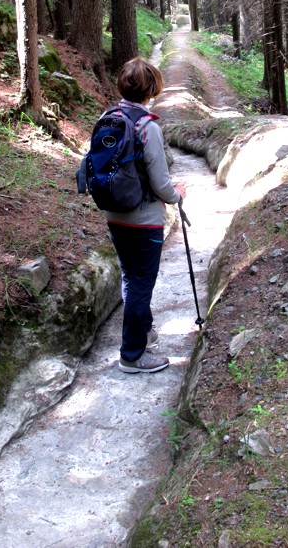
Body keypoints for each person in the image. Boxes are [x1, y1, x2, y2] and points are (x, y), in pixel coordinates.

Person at [104, 57, 186, 374]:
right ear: (152, 89)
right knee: (141, 284)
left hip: (115, 215)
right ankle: (132, 355)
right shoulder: (147, 127)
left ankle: (144, 331)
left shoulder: (109, 118)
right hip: (144, 221)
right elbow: (161, 183)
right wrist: (177, 195)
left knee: (130, 277)